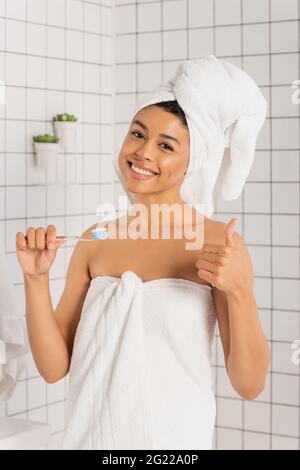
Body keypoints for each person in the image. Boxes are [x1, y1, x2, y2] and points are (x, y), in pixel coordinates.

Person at [16, 101, 270, 450]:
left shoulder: (215, 242)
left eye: (166, 145)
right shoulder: (94, 239)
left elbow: (249, 384)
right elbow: (54, 367)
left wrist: (241, 291)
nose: (143, 152)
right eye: (137, 134)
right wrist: (35, 279)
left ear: (191, 163)